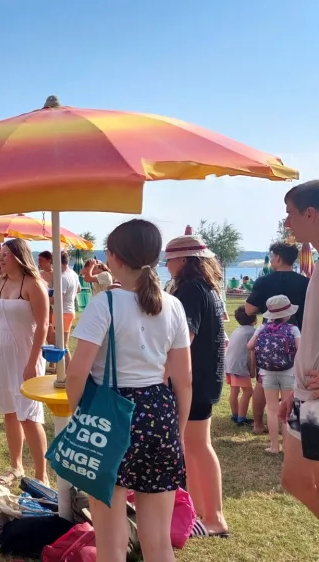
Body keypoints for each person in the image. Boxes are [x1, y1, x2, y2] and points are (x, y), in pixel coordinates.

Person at [67, 219, 192, 562]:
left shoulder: (104, 304)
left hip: (109, 412)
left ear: (114, 257)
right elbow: (184, 380)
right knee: (158, 541)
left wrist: (79, 415)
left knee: (110, 540)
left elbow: (77, 372)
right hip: (160, 413)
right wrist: (177, 431)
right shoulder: (173, 305)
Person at [275, 179, 319, 561]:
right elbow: (317, 332)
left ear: (310, 213)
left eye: (289, 213)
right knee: (294, 480)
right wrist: (293, 390)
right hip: (307, 395)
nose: (287, 222)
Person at [165, 234, 229, 538]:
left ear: (185, 260)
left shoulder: (190, 289)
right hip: (207, 377)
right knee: (193, 447)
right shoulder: (208, 288)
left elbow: (183, 338)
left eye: (170, 259)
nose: (167, 265)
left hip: (195, 379)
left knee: (199, 447)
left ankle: (214, 517)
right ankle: (201, 512)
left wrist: (163, 370)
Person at [0, 238, 50, 482]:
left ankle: (42, 475)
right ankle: (16, 465)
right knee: (9, 411)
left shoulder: (34, 284)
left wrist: (32, 363)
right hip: (1, 352)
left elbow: (43, 325)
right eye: (0, 254)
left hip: (26, 353)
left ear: (19, 256)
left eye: (6, 254)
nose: (0, 258)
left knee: (29, 415)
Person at [248, 295, 301, 454]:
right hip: (288, 372)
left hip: (267, 373)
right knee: (286, 409)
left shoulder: (262, 328)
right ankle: (286, 446)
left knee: (271, 410)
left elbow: (249, 345)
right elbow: (301, 349)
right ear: (288, 314)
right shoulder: (293, 329)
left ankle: (273, 446)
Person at [244, 241, 309, 327]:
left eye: (271, 256)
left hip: (272, 336)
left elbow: (249, 310)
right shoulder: (307, 282)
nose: (270, 261)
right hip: (300, 335)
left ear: (278, 258)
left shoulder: (263, 281)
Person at [225, 306, 257, 426]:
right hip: (239, 366)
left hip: (230, 364)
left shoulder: (237, 330)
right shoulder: (253, 332)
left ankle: (235, 415)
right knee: (248, 392)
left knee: (234, 391)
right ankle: (241, 418)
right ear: (255, 319)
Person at [50, 250, 80, 367]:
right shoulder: (73, 274)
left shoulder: (62, 278)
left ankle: (69, 369)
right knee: (60, 343)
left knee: (63, 344)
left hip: (62, 312)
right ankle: (62, 368)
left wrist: (41, 298)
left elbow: (57, 299)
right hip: (69, 310)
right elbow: (79, 289)